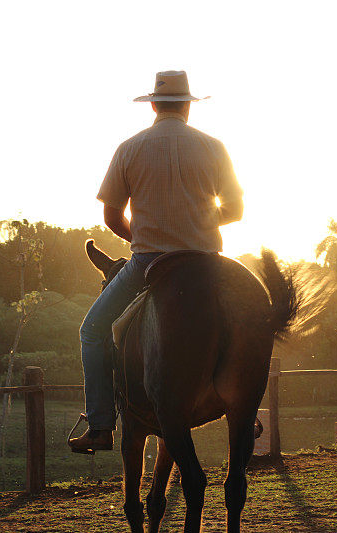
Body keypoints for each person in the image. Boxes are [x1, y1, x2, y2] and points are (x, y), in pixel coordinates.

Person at [69, 70, 244, 453]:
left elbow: (112, 217)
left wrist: (148, 235)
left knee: (92, 330)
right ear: (187, 107)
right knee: (246, 318)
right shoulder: (215, 147)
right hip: (206, 261)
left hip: (148, 262)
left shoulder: (129, 148)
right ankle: (246, 407)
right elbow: (235, 210)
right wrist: (194, 224)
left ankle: (100, 426)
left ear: (153, 104)